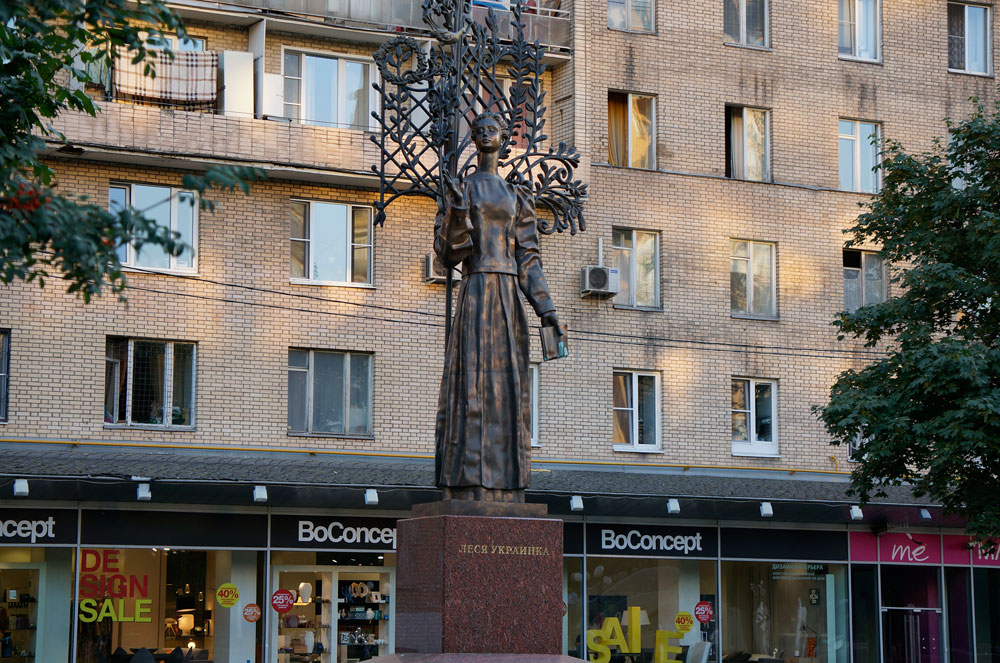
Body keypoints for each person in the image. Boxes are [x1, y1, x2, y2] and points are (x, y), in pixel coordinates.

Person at [434, 112, 562, 501]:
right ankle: (466, 477)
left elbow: (529, 260)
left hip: (507, 296)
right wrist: (458, 212)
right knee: (471, 381)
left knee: (509, 385)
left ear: (504, 138)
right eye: (479, 130)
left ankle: (507, 481)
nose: (486, 134)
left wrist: (547, 310)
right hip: (475, 289)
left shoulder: (517, 196)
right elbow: (448, 255)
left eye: (493, 129)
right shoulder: (460, 189)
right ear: (473, 139)